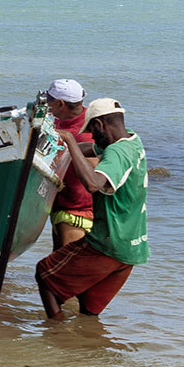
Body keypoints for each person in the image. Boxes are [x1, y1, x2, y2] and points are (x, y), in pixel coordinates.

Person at [34, 97, 148, 319]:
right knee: (87, 310)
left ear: (101, 124)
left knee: (46, 274)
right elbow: (91, 148)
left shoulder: (116, 153)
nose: (92, 136)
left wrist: (69, 139)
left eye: (93, 130)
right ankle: (85, 349)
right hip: (132, 249)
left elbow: (93, 184)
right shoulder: (132, 141)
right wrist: (62, 145)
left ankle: (56, 335)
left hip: (107, 243)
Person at [42, 78, 97, 250]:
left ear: (61, 104)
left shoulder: (92, 130)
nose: (47, 105)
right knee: (57, 260)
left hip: (76, 211)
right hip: (61, 205)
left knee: (68, 268)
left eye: (49, 101)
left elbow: (97, 166)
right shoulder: (60, 119)